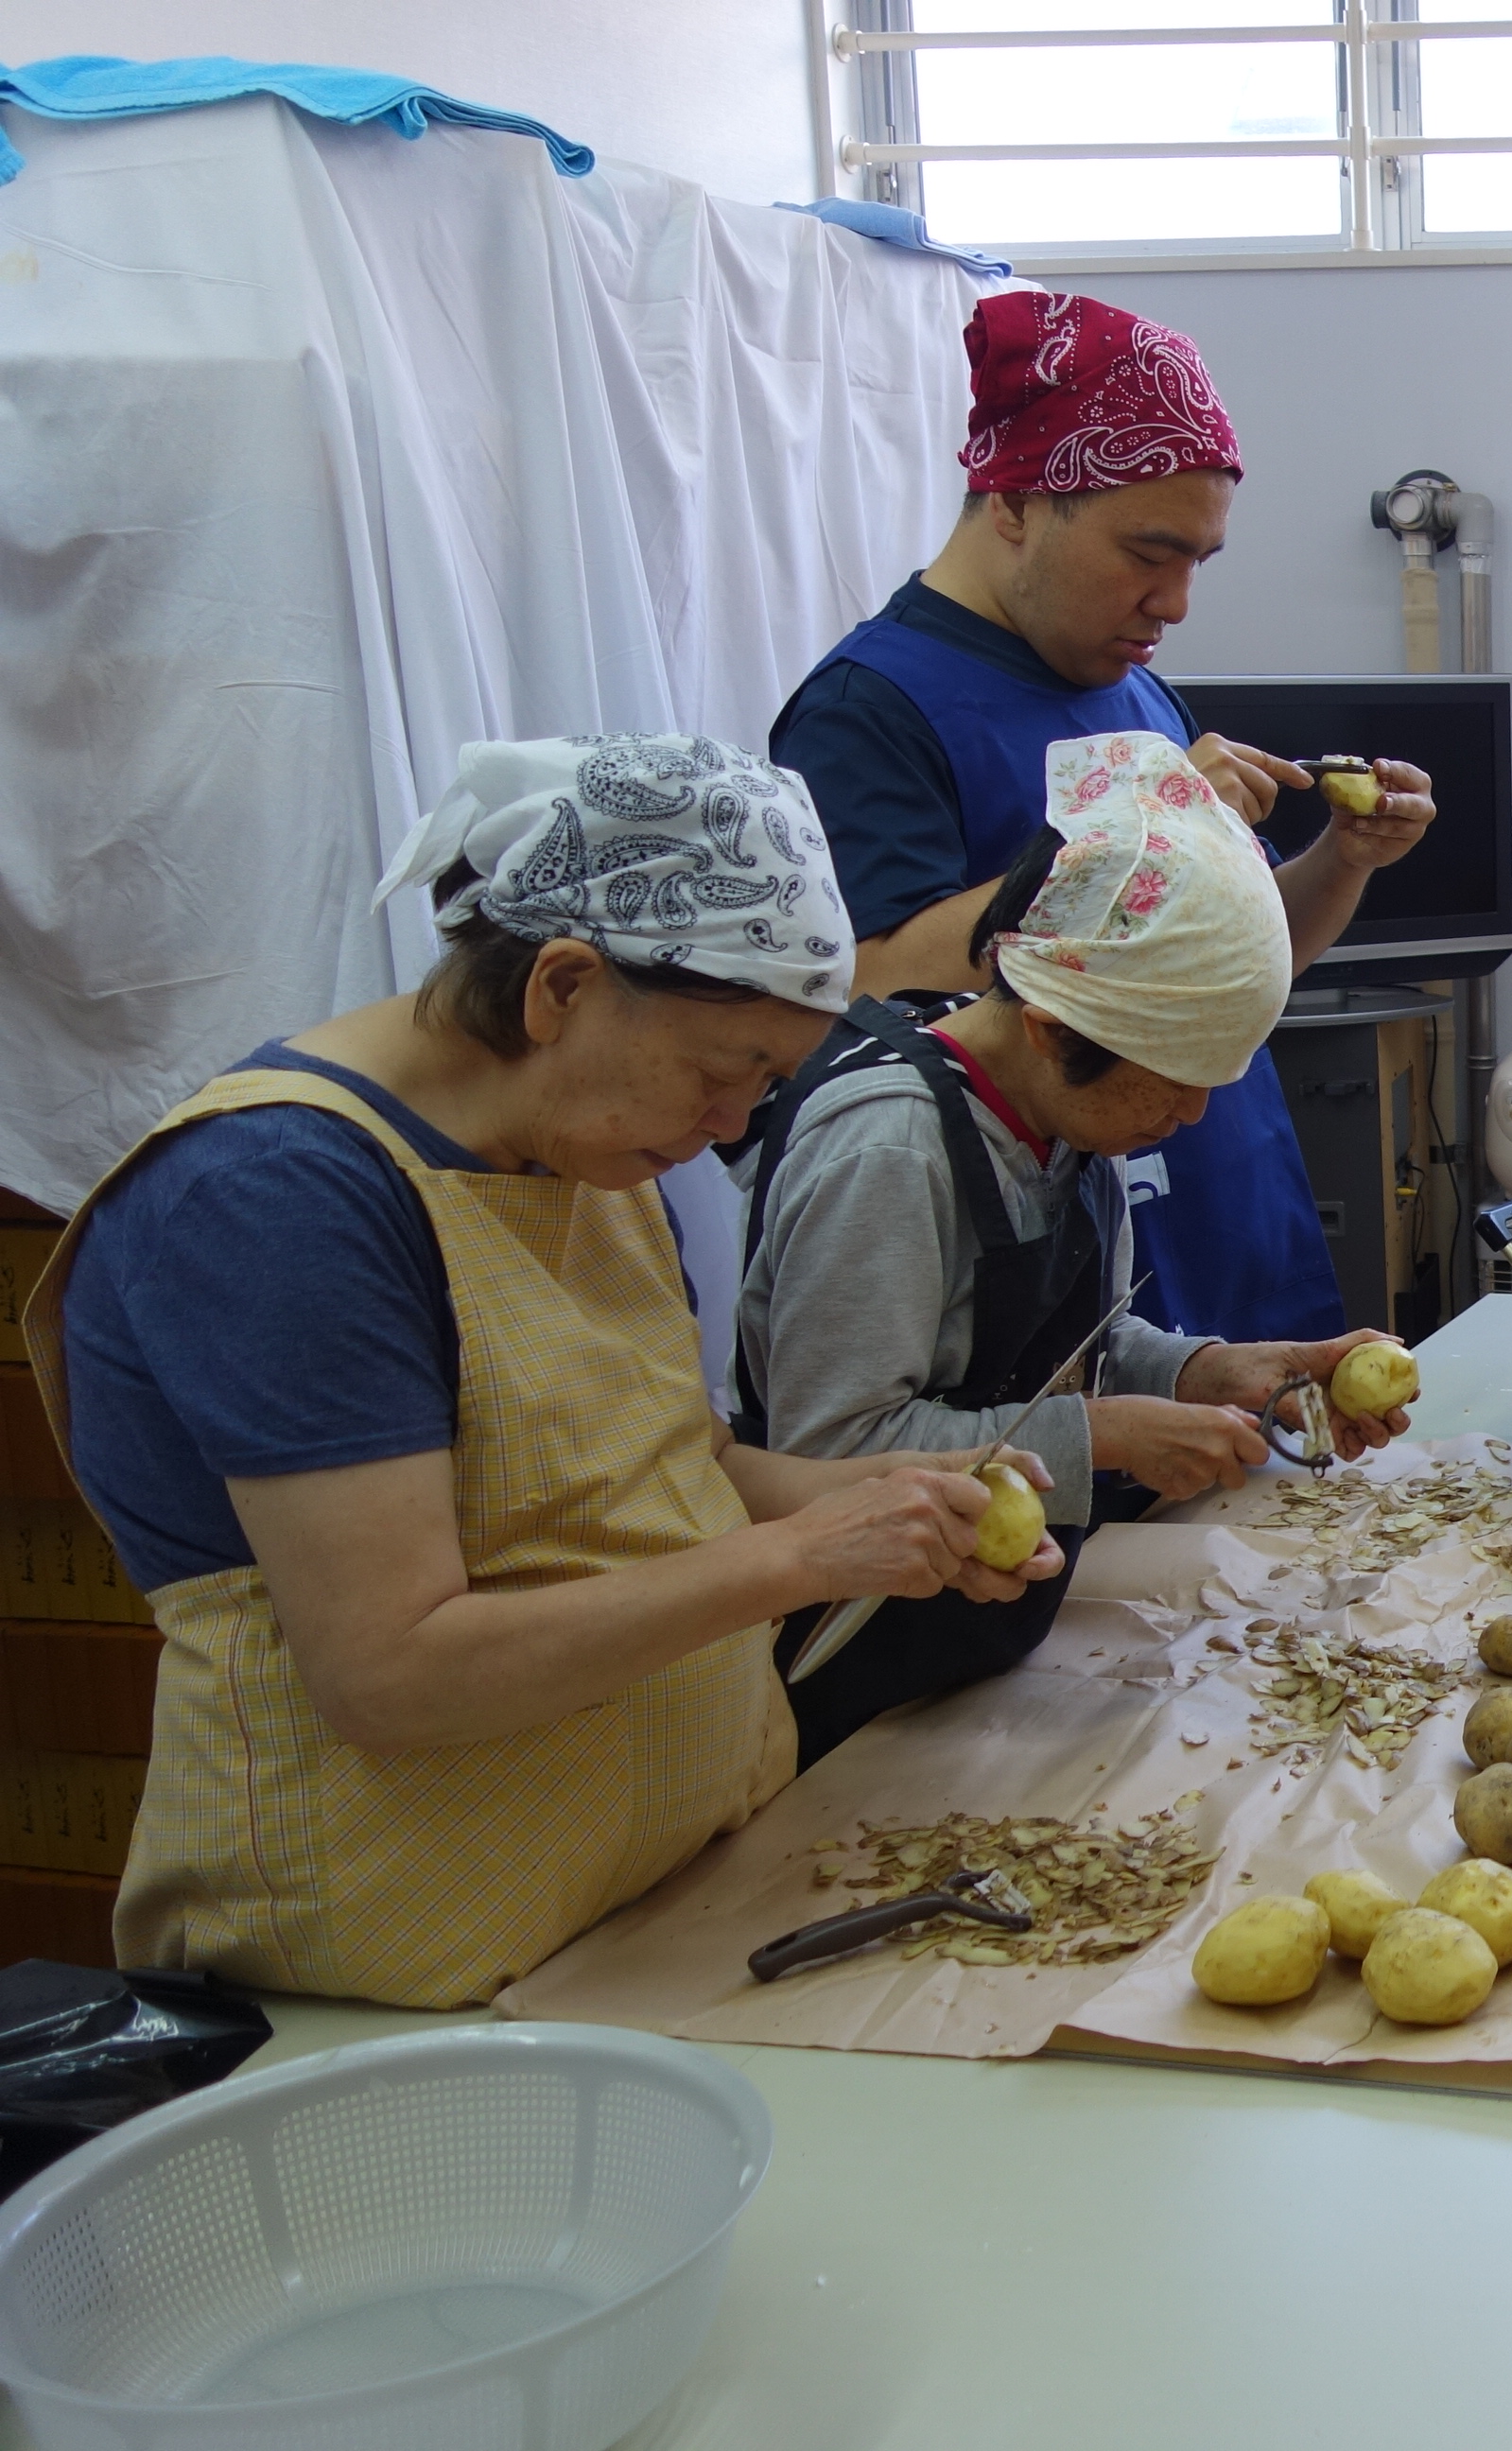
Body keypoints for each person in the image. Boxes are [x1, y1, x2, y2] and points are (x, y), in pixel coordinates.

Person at [23, 738, 1063, 2009]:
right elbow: (394, 1671)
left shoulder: (586, 1152)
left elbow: (672, 1466)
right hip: (398, 1978)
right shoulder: (281, 1199)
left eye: (769, 1084)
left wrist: (894, 1491)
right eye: (726, 1070)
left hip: (658, 1907)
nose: (734, 1126)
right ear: (562, 987)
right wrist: (804, 1561)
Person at [770, 291, 1439, 1349]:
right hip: (1062, 1275)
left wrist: (1343, 859)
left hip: (1230, 1226)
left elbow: (1234, 958)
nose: (1173, 603)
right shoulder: (872, 709)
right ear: (1015, 502)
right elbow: (863, 987)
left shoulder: (1131, 689)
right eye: (1148, 552)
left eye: (1196, 564)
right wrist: (1133, 833)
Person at [735, 731, 1414, 1764]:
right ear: (1052, 1027)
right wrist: (1099, 1436)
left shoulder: (1064, 1113)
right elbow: (827, 1451)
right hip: (861, 1674)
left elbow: (1077, 1340)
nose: (1190, 1113)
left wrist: (1207, 1371)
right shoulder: (888, 1145)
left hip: (993, 1642)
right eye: (1174, 1077)